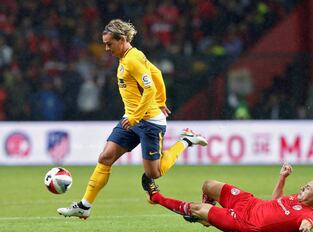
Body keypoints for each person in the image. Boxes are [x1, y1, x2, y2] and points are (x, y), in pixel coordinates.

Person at [57, 19, 208, 219]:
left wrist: (140, 114)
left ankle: (186, 140)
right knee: (105, 157)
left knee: (154, 173)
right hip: (132, 119)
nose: (106, 48)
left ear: (121, 40)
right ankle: (85, 206)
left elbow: (149, 87)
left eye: (109, 43)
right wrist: (159, 101)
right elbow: (156, 73)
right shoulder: (129, 56)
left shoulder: (132, 60)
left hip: (148, 123)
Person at [143, 163, 313, 232]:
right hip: (249, 202)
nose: (301, 188)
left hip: (244, 222)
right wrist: (282, 178)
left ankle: (156, 197)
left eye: (307, 188)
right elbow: (275, 201)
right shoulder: (294, 199)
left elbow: (307, 223)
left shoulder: (307, 214)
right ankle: (208, 218)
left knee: (196, 209)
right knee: (208, 185)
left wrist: (305, 229)